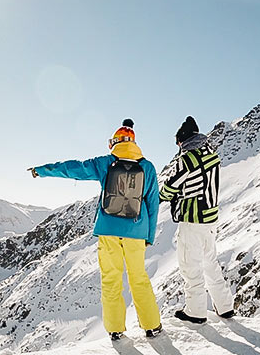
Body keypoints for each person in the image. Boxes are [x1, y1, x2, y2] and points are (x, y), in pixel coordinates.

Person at [29, 119, 164, 340]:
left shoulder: (105, 163)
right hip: (137, 232)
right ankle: (152, 326)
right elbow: (153, 204)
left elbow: (74, 168)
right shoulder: (147, 167)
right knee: (138, 279)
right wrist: (148, 236)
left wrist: (41, 171)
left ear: (115, 142)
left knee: (111, 280)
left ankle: (115, 330)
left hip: (109, 229)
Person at [160, 116, 236, 324]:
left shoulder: (187, 159)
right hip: (210, 219)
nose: (178, 147)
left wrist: (160, 196)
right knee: (210, 262)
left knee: (190, 265)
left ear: (183, 139)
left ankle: (195, 311)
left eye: (178, 142)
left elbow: (170, 187)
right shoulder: (212, 156)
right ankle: (225, 306)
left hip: (192, 220)